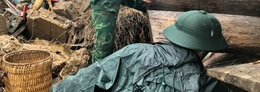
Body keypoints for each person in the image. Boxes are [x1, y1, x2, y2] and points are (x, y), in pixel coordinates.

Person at [51, 10, 229, 92]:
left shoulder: (133, 52)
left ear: (175, 35)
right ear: (205, 50)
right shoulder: (205, 83)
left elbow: (85, 81)